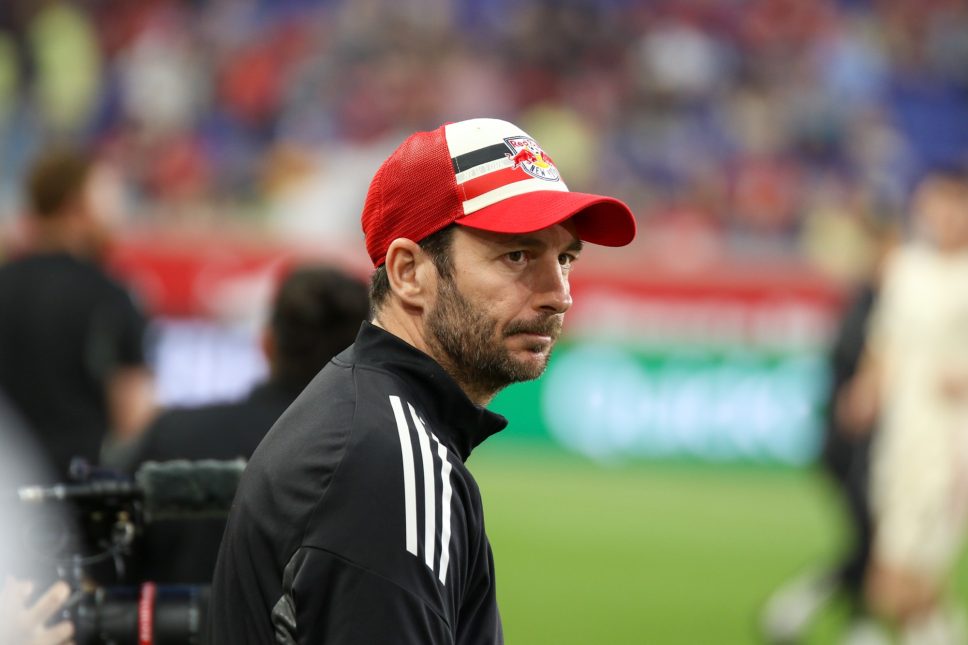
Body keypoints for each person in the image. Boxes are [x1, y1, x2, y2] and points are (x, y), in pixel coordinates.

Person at [206, 117, 637, 643]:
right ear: (409, 272)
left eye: (565, 258)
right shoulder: (386, 461)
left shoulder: (368, 420)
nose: (559, 294)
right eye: (517, 255)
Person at [124, 265, 369, 585]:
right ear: (363, 356)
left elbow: (111, 568)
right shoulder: (376, 458)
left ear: (266, 343)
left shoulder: (172, 435)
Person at [760, 215, 899, 645]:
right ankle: (807, 606)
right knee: (872, 541)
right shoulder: (872, 303)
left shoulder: (868, 300)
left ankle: (854, 622)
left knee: (875, 540)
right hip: (854, 444)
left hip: (861, 442)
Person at [847, 169, 968, 644]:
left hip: (954, 440)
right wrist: (867, 387)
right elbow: (884, 340)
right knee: (891, 576)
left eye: (954, 204)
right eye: (934, 204)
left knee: (914, 573)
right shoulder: (906, 268)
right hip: (902, 436)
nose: (943, 216)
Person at [0, 147, 155, 483]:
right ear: (76, 206)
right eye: (109, 199)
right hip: (75, 497)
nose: (118, 213)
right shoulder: (110, 296)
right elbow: (136, 421)